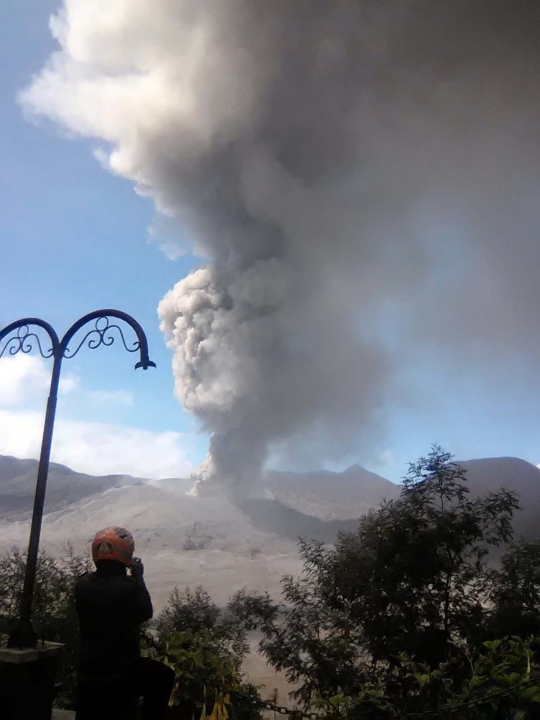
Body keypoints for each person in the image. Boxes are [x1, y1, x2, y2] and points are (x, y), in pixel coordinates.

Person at [75, 526, 175, 720]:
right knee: (164, 676)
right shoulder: (129, 587)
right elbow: (146, 612)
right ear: (125, 552)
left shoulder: (82, 584)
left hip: (89, 669)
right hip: (120, 672)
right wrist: (139, 577)